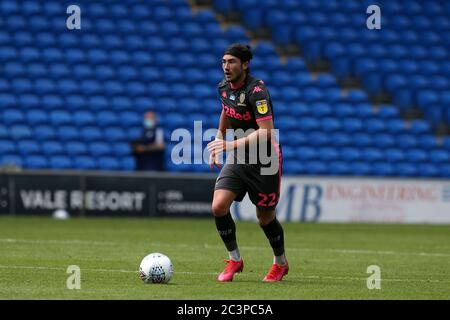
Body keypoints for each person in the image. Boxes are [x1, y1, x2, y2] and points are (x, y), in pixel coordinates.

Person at [207, 44, 287, 282]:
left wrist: (228, 145)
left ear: (245, 64)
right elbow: (226, 109)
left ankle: (280, 263)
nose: (226, 66)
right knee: (218, 206)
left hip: (265, 160)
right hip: (240, 157)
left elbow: (266, 132)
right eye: (223, 61)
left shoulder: (257, 91)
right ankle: (234, 260)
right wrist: (219, 139)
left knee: (265, 218)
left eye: (231, 62)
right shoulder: (223, 87)